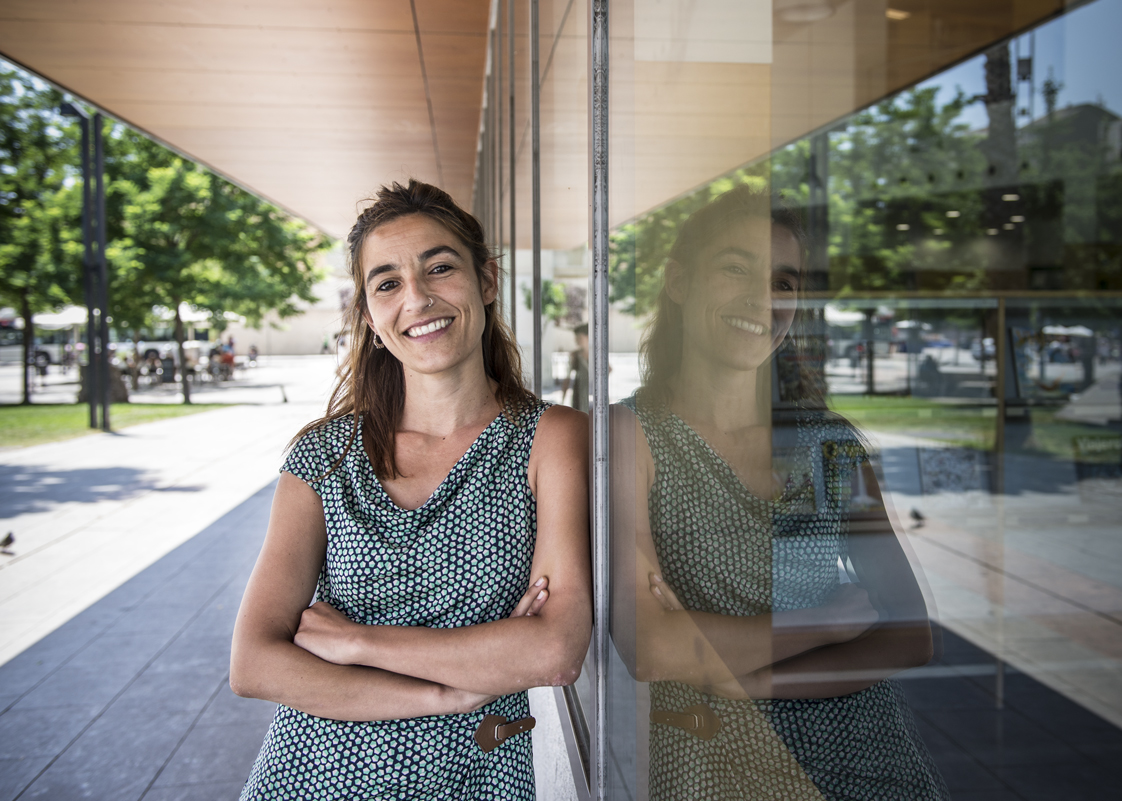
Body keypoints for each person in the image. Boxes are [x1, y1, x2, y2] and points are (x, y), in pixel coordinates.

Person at [231, 180, 592, 800]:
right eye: (388, 282)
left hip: (474, 778)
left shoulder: (550, 438)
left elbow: (555, 649)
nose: (418, 299)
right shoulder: (323, 454)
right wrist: (448, 693)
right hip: (310, 774)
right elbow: (254, 663)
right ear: (370, 317)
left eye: (440, 268)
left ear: (486, 281)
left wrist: (355, 642)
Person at [611, 186, 948, 800]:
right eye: (735, 267)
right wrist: (825, 620)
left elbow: (909, 632)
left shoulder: (828, 444)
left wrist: (741, 677)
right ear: (680, 282)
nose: (761, 297)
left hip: (869, 758)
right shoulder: (627, 434)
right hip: (717, 765)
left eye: (784, 282)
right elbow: (652, 647)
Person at [560, 323, 589, 411]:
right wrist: (562, 401)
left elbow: (609, 369)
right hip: (579, 393)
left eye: (579, 337)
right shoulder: (575, 355)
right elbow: (567, 378)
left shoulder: (596, 355)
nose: (576, 340)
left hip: (591, 393)